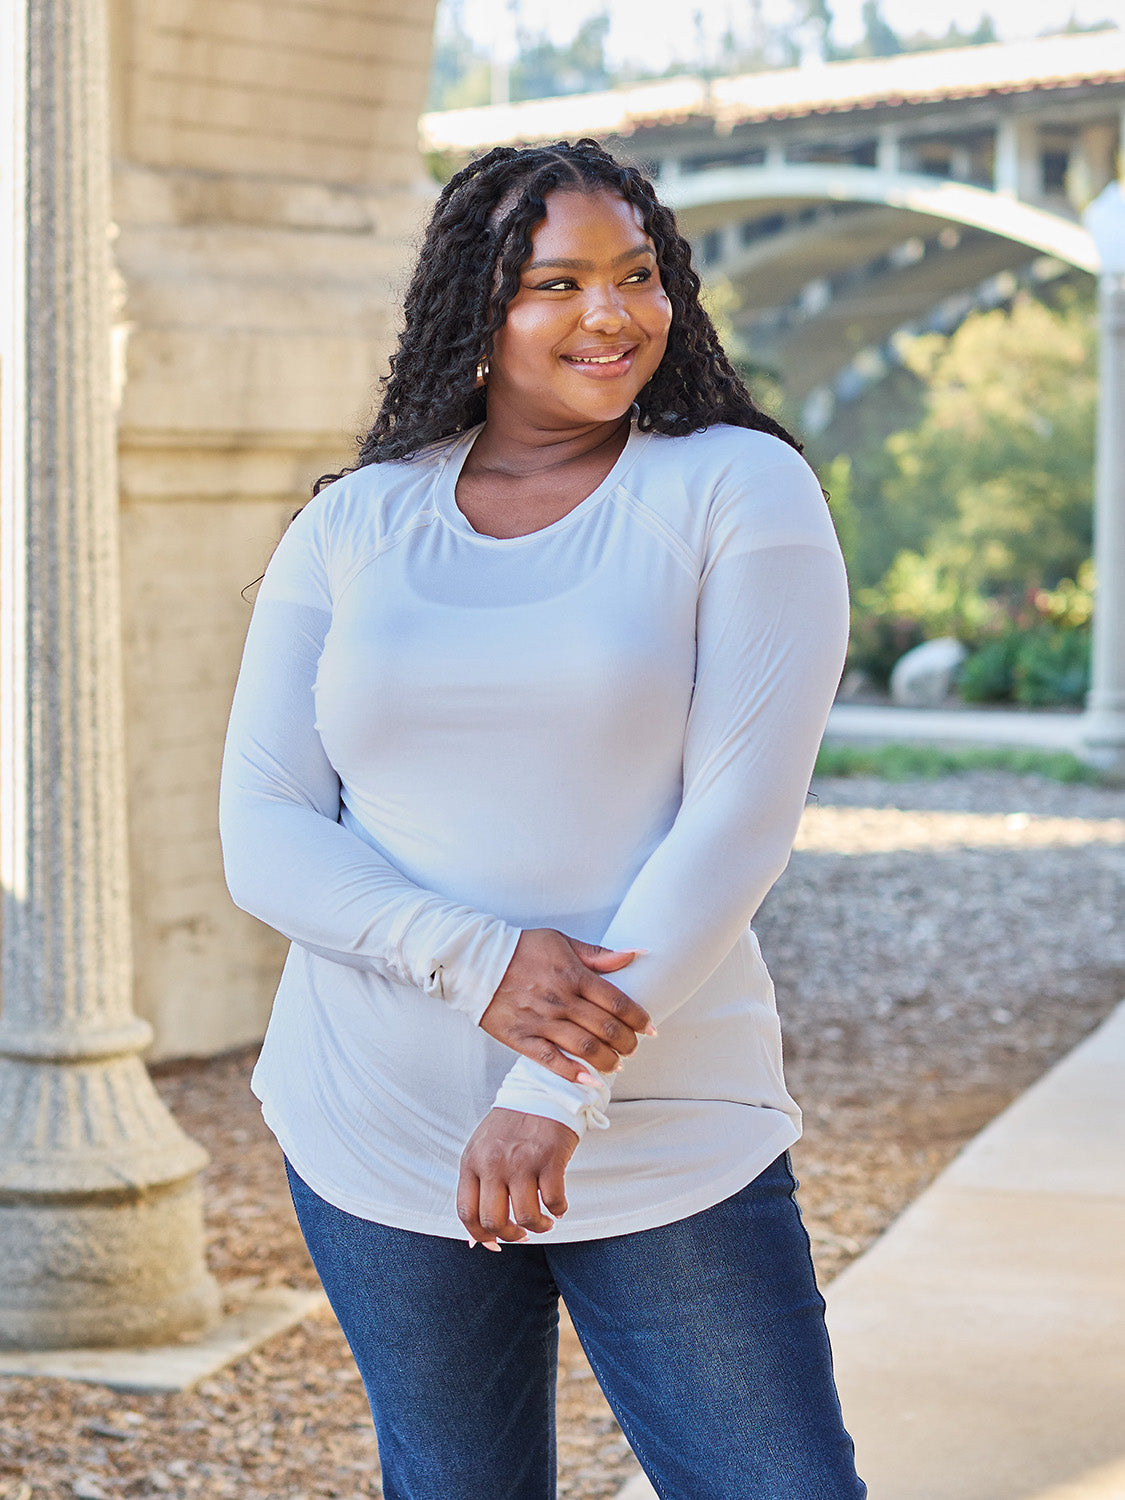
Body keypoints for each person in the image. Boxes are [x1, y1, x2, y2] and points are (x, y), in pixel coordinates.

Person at [219, 138, 863, 1500]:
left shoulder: (735, 491)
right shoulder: (354, 525)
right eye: (554, 283)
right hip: (372, 1124)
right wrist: (478, 960)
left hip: (663, 1127)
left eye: (636, 275)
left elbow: (736, 823)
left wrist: (552, 1087)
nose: (611, 315)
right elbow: (266, 825)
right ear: (476, 304)